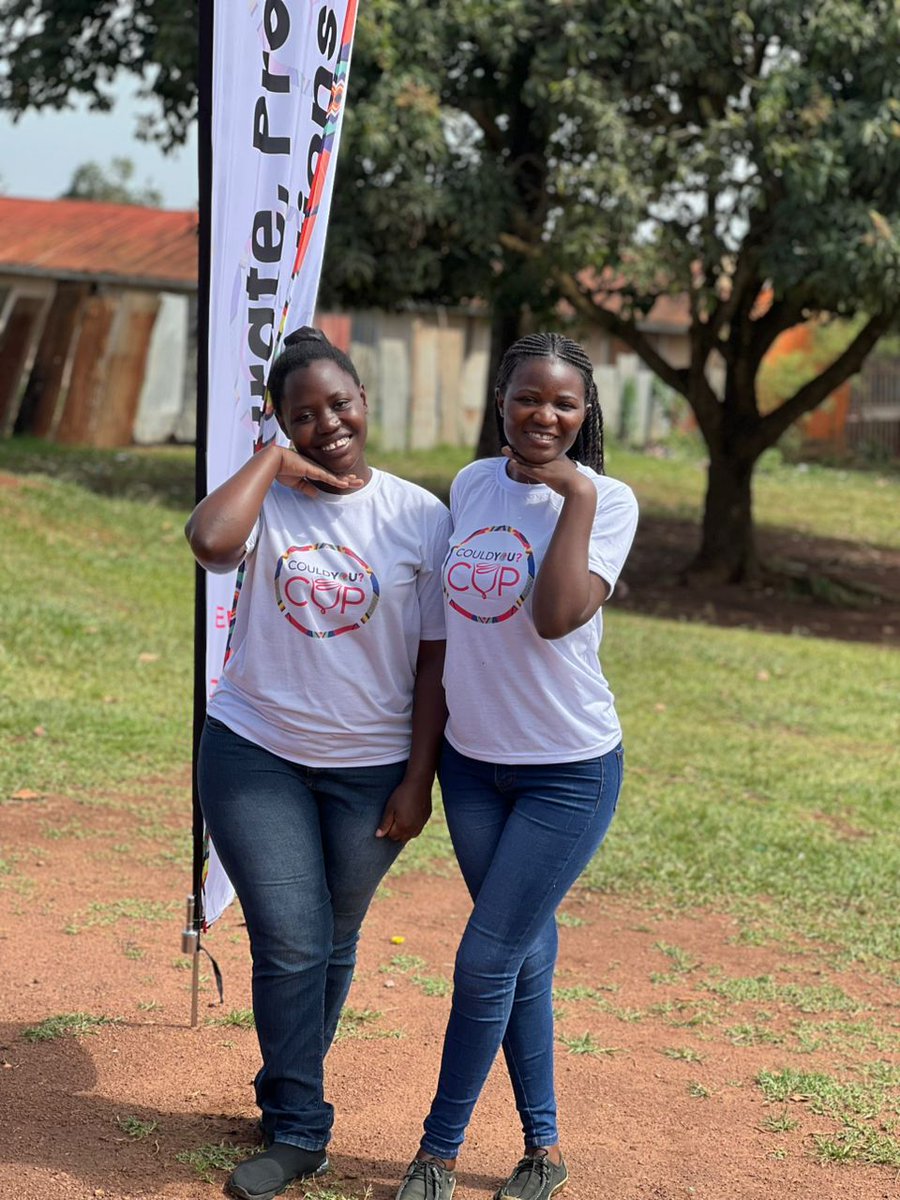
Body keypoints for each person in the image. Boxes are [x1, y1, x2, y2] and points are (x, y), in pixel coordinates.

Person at [186, 328, 450, 1200]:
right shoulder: (267, 497)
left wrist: (418, 779)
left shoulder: (421, 516)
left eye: (339, 404)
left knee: (331, 936)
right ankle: (300, 1129)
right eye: (303, 415)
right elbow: (208, 542)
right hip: (255, 750)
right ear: (282, 423)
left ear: (364, 400)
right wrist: (270, 462)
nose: (327, 424)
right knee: (293, 938)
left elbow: (435, 660)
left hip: (372, 771)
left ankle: (285, 1088)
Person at [395, 332, 639, 1200]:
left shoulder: (609, 500)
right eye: (528, 397)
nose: (544, 415)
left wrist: (575, 493)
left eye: (564, 403)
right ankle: (544, 1150)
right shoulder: (470, 484)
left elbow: (556, 614)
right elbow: (447, 627)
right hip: (472, 766)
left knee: (485, 958)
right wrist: (422, 769)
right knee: (522, 950)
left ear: (585, 412)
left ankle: (436, 1154)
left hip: (567, 771)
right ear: (500, 400)